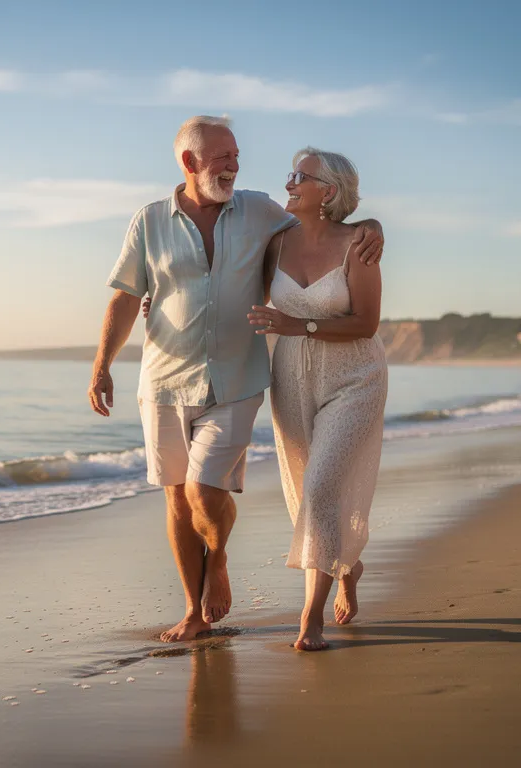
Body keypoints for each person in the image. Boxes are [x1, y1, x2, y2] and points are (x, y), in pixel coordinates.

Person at [88, 116, 383, 643]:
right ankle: (194, 613)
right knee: (177, 498)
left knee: (208, 491)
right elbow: (126, 296)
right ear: (189, 162)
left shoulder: (261, 212)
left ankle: (223, 560)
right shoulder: (150, 221)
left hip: (239, 378)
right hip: (164, 378)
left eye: (236, 155)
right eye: (223, 157)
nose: (235, 165)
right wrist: (101, 365)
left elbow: (330, 227)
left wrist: (373, 227)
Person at [247, 147, 389, 651]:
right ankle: (344, 564)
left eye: (299, 176)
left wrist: (295, 324)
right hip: (291, 382)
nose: (288, 183)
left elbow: (365, 323)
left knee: (323, 487)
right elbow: (233, 289)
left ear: (327, 191)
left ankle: (310, 618)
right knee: (307, 493)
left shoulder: (359, 244)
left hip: (356, 379)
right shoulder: (274, 243)